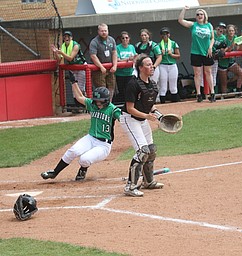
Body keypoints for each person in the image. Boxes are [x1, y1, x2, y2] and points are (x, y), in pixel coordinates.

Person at [41, 71, 121, 181]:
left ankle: (83, 169)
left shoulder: (112, 110)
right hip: (91, 137)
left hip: (104, 145)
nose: (97, 103)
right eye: (96, 101)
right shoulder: (92, 105)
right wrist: (74, 81)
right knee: (73, 151)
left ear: (106, 101)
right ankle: (55, 172)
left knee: (84, 159)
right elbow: (79, 97)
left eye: (100, 101)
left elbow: (125, 118)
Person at [120, 54, 164, 197]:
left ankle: (148, 181)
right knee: (142, 151)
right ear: (140, 68)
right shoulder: (133, 84)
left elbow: (150, 106)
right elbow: (130, 108)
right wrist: (147, 116)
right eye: (148, 65)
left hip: (142, 119)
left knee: (151, 149)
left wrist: (160, 116)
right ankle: (130, 186)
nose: (152, 67)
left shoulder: (152, 84)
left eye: (152, 64)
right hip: (129, 118)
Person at [178, 6, 215, 102]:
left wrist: (210, 47)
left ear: (204, 16)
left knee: (208, 72)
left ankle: (212, 92)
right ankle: (198, 94)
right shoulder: (193, 25)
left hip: (206, 52)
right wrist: (184, 9)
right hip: (195, 52)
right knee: (197, 73)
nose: (199, 16)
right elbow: (180, 20)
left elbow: (212, 38)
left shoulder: (209, 25)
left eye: (201, 14)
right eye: (197, 14)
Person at [51, 31, 86, 112]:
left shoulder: (76, 45)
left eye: (68, 37)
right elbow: (59, 59)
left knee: (81, 87)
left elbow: (70, 58)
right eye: (65, 37)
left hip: (81, 67)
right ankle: (77, 107)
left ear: (71, 38)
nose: (66, 38)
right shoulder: (63, 46)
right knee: (74, 87)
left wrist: (61, 52)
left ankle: (84, 106)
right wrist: (56, 53)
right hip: (72, 68)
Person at [89, 23, 117, 101]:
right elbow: (93, 56)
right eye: (102, 31)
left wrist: (115, 65)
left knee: (111, 87)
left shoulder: (111, 40)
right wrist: (101, 67)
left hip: (110, 68)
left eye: (105, 31)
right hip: (98, 70)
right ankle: (102, 106)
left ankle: (110, 104)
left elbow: (114, 52)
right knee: (102, 89)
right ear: (98, 31)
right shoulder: (94, 42)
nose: (104, 32)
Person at [217, 24, 242, 96]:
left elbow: (239, 50)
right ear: (227, 32)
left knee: (241, 73)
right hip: (223, 62)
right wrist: (233, 44)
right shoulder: (224, 38)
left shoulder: (236, 37)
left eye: (232, 31)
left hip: (231, 61)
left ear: (234, 31)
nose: (231, 32)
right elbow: (224, 51)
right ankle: (224, 97)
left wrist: (241, 42)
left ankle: (238, 90)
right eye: (229, 31)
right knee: (223, 84)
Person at [158, 27, 181, 103]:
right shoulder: (159, 45)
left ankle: (174, 102)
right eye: (163, 34)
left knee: (173, 86)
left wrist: (171, 54)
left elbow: (178, 56)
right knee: (163, 86)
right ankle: (163, 103)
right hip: (163, 65)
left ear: (169, 34)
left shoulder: (173, 43)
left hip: (172, 65)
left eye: (166, 33)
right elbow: (157, 56)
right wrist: (161, 53)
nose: (165, 35)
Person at [114, 31, 137, 104]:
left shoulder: (131, 47)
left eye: (126, 38)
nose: (125, 39)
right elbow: (117, 59)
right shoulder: (117, 48)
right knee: (122, 91)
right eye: (123, 38)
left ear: (129, 39)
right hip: (120, 74)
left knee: (130, 90)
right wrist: (127, 59)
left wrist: (134, 57)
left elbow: (134, 57)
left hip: (130, 73)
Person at [212, 22, 227, 98]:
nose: (221, 29)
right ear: (216, 28)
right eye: (220, 27)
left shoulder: (223, 38)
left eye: (223, 28)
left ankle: (212, 93)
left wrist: (219, 52)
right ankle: (203, 92)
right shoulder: (212, 33)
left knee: (213, 75)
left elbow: (222, 48)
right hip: (206, 56)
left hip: (214, 59)